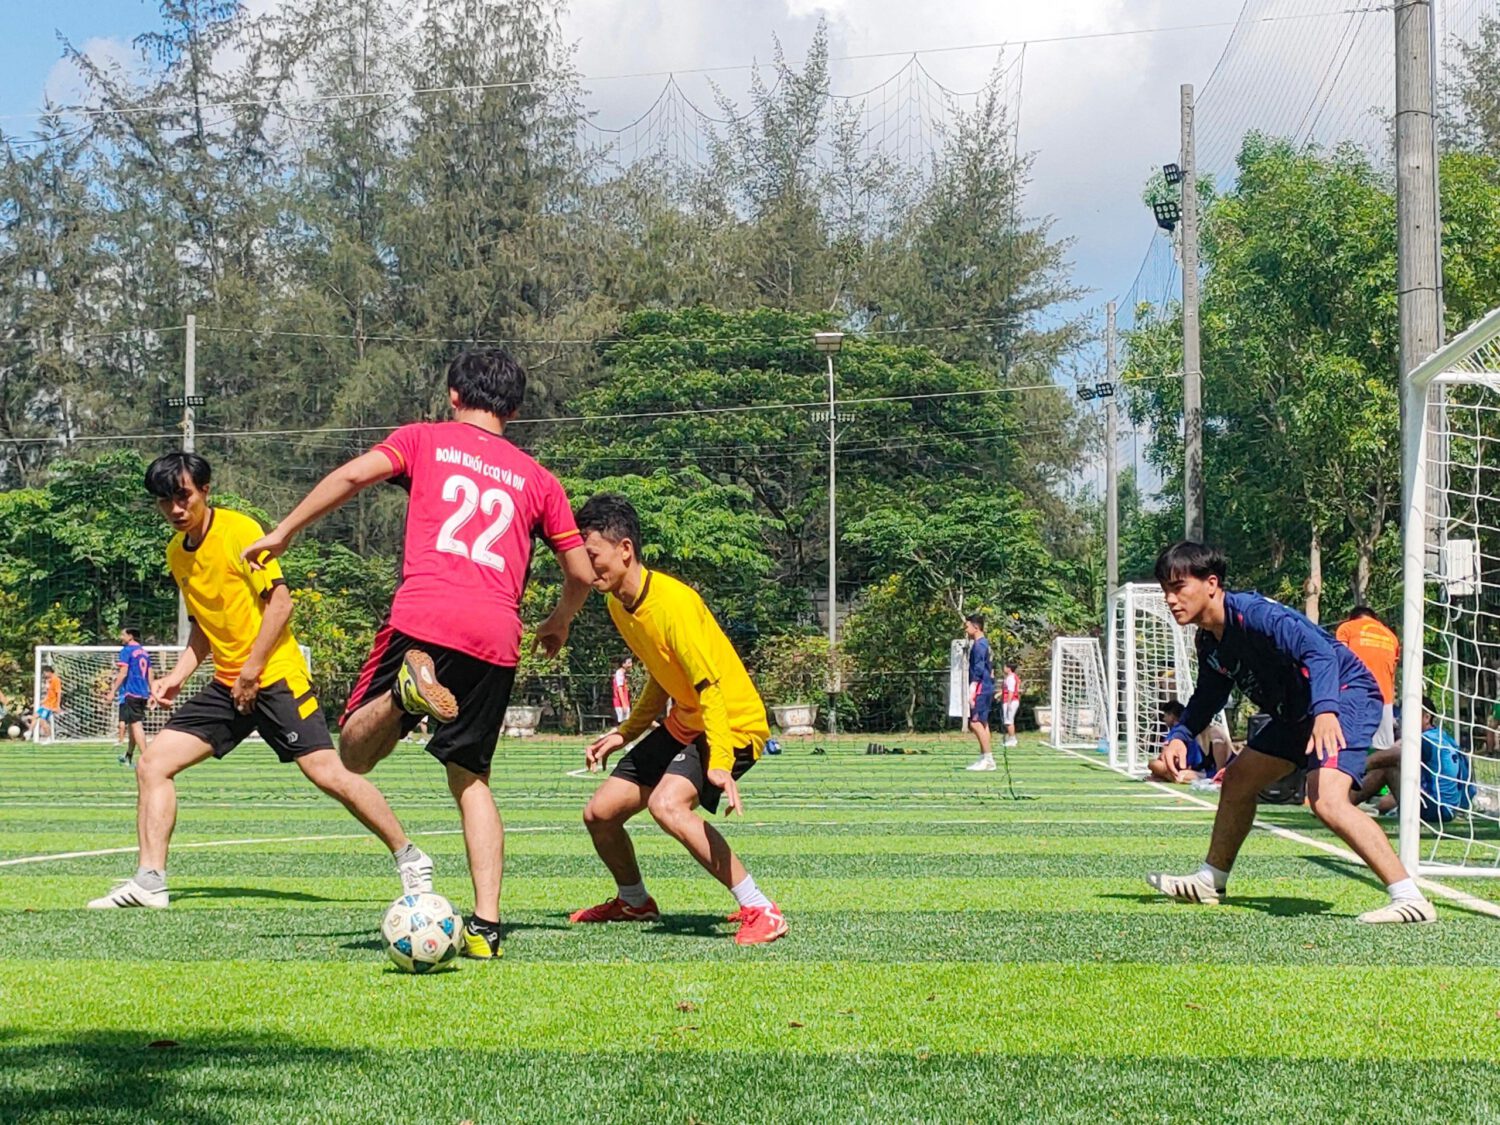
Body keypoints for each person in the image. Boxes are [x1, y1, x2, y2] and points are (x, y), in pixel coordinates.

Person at [242, 349, 594, 960]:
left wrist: (284, 531)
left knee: (354, 754)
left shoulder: (423, 440)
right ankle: (486, 928)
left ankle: (405, 695)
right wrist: (559, 620)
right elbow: (582, 571)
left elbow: (351, 477)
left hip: (424, 616)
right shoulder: (539, 481)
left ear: (454, 395)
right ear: (514, 410)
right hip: (495, 633)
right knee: (472, 779)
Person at [86, 452, 433, 910]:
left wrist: (251, 672)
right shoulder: (176, 553)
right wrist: (177, 676)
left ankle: (410, 857)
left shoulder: (241, 531)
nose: (175, 508)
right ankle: (150, 882)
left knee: (327, 773)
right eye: (164, 500)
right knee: (152, 765)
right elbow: (204, 627)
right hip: (230, 685)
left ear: (205, 490)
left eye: (183, 496)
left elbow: (281, 605)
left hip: (275, 676)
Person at [1145, 541, 1436, 925]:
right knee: (1238, 780)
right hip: (1297, 713)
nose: (1170, 599)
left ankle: (1410, 898)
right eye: (1165, 589)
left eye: (1178, 587)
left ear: (1211, 584)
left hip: (1344, 694)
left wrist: (1326, 711)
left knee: (1326, 800)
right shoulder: (1209, 641)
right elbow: (1209, 695)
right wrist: (1180, 735)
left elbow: (1320, 652)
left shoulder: (1257, 614)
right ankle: (1210, 881)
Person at [564, 493, 786, 945]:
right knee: (599, 814)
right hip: (688, 720)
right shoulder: (618, 604)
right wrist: (625, 733)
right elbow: (661, 676)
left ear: (625, 549)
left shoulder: (674, 605)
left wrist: (720, 762)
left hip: (732, 723)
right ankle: (635, 901)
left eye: (592, 555)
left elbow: (711, 689)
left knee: (668, 805)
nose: (586, 567)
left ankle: (761, 908)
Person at [1353, 696, 1473, 824]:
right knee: (1385, 802)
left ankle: (1344, 801)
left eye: (1408, 715)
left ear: (1426, 717)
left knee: (1388, 767)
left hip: (1436, 809)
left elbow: (1396, 754)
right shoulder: (1447, 739)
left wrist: (1359, 766)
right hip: (1449, 808)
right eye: (1402, 717)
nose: (1402, 721)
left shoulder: (1426, 741)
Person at [1336, 606, 1399, 756]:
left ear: (1353, 617)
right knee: (1383, 751)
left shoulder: (1347, 628)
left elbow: (1340, 661)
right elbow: (1392, 671)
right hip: (1385, 699)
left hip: (1355, 694)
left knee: (1348, 748)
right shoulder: (1391, 636)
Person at [111, 627, 154, 766]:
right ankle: (128, 756)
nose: (120, 637)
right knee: (132, 725)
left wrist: (112, 691)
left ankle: (146, 759)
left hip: (131, 692)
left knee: (136, 725)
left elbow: (123, 673)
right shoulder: (144, 652)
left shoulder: (127, 650)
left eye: (122, 635)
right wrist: (152, 692)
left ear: (130, 636)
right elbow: (150, 673)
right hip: (143, 692)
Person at [963, 614, 996, 771]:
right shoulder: (984, 643)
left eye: (967, 626)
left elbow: (979, 666)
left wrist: (973, 685)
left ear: (975, 627)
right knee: (982, 722)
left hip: (981, 686)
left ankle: (988, 759)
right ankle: (984, 757)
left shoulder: (979, 645)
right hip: (986, 685)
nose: (965, 629)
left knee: (975, 723)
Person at [33, 665, 61, 743]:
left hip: (51, 705)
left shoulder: (56, 680)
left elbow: (58, 693)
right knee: (36, 716)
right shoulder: (48, 680)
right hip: (46, 704)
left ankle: (48, 738)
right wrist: (42, 701)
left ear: (49, 672)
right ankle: (29, 733)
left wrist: (57, 705)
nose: (44, 674)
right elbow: (49, 694)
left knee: (42, 720)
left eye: (45, 673)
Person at [999, 661, 1022, 748]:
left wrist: (1008, 702)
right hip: (1010, 701)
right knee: (1008, 720)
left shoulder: (1011, 678)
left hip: (1011, 701)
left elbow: (1011, 691)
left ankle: (1013, 740)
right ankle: (1011, 738)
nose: (1004, 668)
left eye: (1005, 667)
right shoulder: (1010, 677)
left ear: (1009, 668)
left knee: (1009, 721)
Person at [612, 656, 634, 724]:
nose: (631, 665)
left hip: (623, 703)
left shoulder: (623, 674)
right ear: (623, 664)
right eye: (629, 663)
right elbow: (620, 689)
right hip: (620, 704)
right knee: (623, 724)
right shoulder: (620, 673)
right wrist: (624, 704)